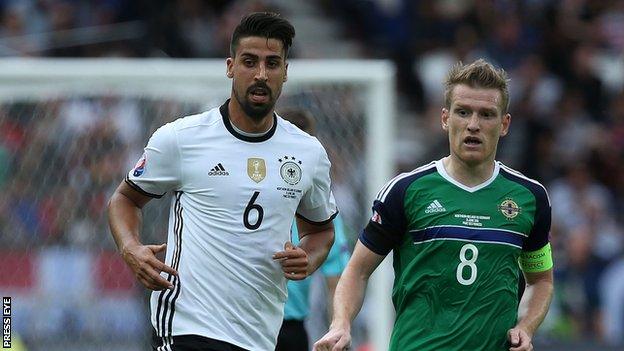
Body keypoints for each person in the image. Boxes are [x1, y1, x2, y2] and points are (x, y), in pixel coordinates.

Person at [107, 12, 338, 351]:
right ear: (231, 67)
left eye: (272, 63)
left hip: (259, 335)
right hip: (187, 328)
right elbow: (124, 199)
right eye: (250, 62)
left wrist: (309, 257)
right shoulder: (181, 138)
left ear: (285, 72)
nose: (261, 74)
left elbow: (320, 232)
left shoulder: (308, 152)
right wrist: (130, 248)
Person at [314, 59, 554, 351]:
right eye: (463, 112)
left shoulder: (530, 198)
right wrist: (341, 323)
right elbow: (357, 270)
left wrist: (526, 327)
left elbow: (540, 280)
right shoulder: (405, 191)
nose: (473, 125)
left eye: (487, 114)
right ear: (445, 118)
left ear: (504, 124)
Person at [275, 109, 351, 351]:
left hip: (286, 329)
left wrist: (337, 331)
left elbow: (336, 281)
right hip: (243, 324)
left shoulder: (323, 215)